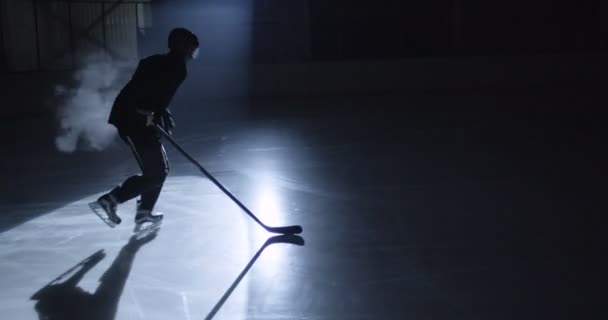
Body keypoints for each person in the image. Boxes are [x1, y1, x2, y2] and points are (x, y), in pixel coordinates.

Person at [89, 27, 199, 227]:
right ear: (183, 47)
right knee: (156, 172)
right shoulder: (177, 68)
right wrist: (146, 111)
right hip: (132, 122)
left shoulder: (158, 61)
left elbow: (153, 91)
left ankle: (144, 212)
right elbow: (145, 92)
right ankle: (110, 200)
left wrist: (159, 112)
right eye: (192, 47)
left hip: (136, 119)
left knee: (159, 171)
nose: (193, 53)